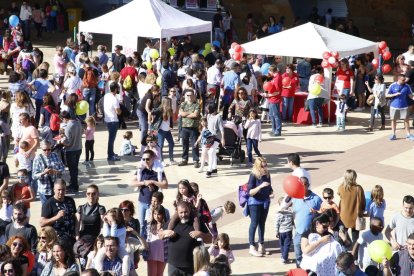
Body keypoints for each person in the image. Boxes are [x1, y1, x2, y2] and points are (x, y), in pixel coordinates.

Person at [161, 201, 211, 276]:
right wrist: (165, 233)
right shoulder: (172, 222)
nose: (183, 215)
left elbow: (210, 239)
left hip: (192, 266)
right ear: (177, 212)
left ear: (189, 210)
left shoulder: (197, 222)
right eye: (181, 212)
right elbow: (160, 235)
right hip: (174, 265)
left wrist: (200, 234)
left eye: (186, 212)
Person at [130, 150, 168, 236]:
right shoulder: (141, 170)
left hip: (154, 203)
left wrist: (153, 182)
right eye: (143, 159)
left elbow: (165, 185)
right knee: (142, 225)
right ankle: (143, 243)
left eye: (147, 159)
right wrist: (144, 183)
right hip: (142, 201)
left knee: (153, 223)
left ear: (153, 158)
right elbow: (131, 182)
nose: (145, 161)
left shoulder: (158, 170)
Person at [246, 157, 273, 257]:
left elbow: (270, 187)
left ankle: (261, 245)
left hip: (265, 201)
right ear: (258, 166)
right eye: (263, 165)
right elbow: (250, 192)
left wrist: (271, 192)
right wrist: (260, 186)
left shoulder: (267, 174)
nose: (265, 167)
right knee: (254, 223)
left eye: (266, 165)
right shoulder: (253, 175)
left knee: (262, 223)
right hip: (255, 202)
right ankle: (252, 246)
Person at [292, 176, 322, 267]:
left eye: (303, 185)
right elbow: (294, 212)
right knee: (298, 255)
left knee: (310, 255)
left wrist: (316, 212)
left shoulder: (316, 199)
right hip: (298, 232)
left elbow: (323, 215)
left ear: (308, 185)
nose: (301, 187)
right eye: (299, 185)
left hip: (311, 233)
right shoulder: (296, 197)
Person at [40, 180, 77, 244]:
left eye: (63, 189)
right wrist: (57, 217)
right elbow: (42, 223)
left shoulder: (70, 200)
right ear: (54, 190)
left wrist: (76, 233)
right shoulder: (49, 203)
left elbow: (75, 217)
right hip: (58, 239)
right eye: (59, 190)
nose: (61, 192)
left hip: (71, 237)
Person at [337, 169, 366, 244]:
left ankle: (343, 251)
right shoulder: (358, 188)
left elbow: (339, 194)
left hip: (343, 217)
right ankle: (355, 254)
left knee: (342, 236)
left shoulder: (341, 187)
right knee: (355, 238)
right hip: (355, 217)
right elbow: (363, 202)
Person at [386, 74, 414, 141]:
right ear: (398, 79)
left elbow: (410, 95)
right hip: (394, 106)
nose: (404, 81)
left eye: (404, 79)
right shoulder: (392, 85)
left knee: (406, 120)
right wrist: (394, 94)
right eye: (403, 80)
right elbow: (386, 95)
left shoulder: (407, 86)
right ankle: (393, 134)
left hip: (404, 106)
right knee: (393, 120)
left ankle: (408, 134)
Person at [178, 89, 201, 168]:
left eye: (191, 95)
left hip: (193, 127)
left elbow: (195, 115)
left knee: (195, 144)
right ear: (185, 96)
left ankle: (196, 160)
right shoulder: (183, 104)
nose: (189, 97)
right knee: (185, 144)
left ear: (194, 96)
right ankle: (184, 159)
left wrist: (185, 114)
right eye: (187, 95)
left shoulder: (196, 104)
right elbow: (180, 113)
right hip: (184, 127)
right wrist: (190, 114)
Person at [60, 110, 82, 192]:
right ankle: (74, 184)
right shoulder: (78, 122)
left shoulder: (69, 126)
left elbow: (68, 143)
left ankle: (74, 186)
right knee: (75, 168)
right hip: (78, 148)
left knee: (72, 170)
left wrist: (62, 140)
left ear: (64, 118)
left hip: (71, 150)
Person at [146, 205, 168, 276]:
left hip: (163, 253)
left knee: (160, 274)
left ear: (163, 214)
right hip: (152, 253)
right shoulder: (150, 225)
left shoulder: (167, 225)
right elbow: (147, 239)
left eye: (159, 214)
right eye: (155, 214)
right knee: (152, 274)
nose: (156, 216)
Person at [104, 82, 122, 161]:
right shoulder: (115, 99)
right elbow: (118, 112)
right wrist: (122, 111)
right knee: (112, 139)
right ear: (115, 89)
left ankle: (111, 152)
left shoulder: (106, 96)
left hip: (107, 119)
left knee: (111, 138)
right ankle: (110, 155)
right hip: (113, 120)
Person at [275, 196, 294, 264]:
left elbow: (276, 223)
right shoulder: (290, 212)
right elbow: (293, 221)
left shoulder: (278, 214)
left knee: (282, 244)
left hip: (281, 232)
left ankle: (283, 256)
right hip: (288, 231)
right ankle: (284, 258)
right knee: (287, 245)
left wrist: (276, 231)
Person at [267, 64, 282, 136]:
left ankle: (278, 131)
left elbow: (278, 91)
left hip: (275, 99)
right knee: (272, 115)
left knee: (276, 115)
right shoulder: (274, 77)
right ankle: (274, 130)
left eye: (269, 71)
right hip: (271, 99)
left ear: (271, 71)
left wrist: (269, 95)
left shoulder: (277, 78)